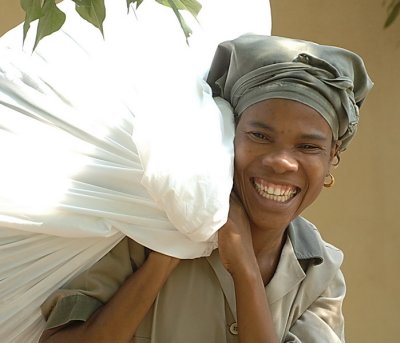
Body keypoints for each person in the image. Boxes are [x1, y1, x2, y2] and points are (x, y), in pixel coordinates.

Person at [38, 34, 373, 343]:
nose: (282, 162)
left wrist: (245, 271)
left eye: (309, 147)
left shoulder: (321, 274)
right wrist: (168, 251)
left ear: (332, 158)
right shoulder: (140, 227)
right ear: (229, 136)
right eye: (259, 136)